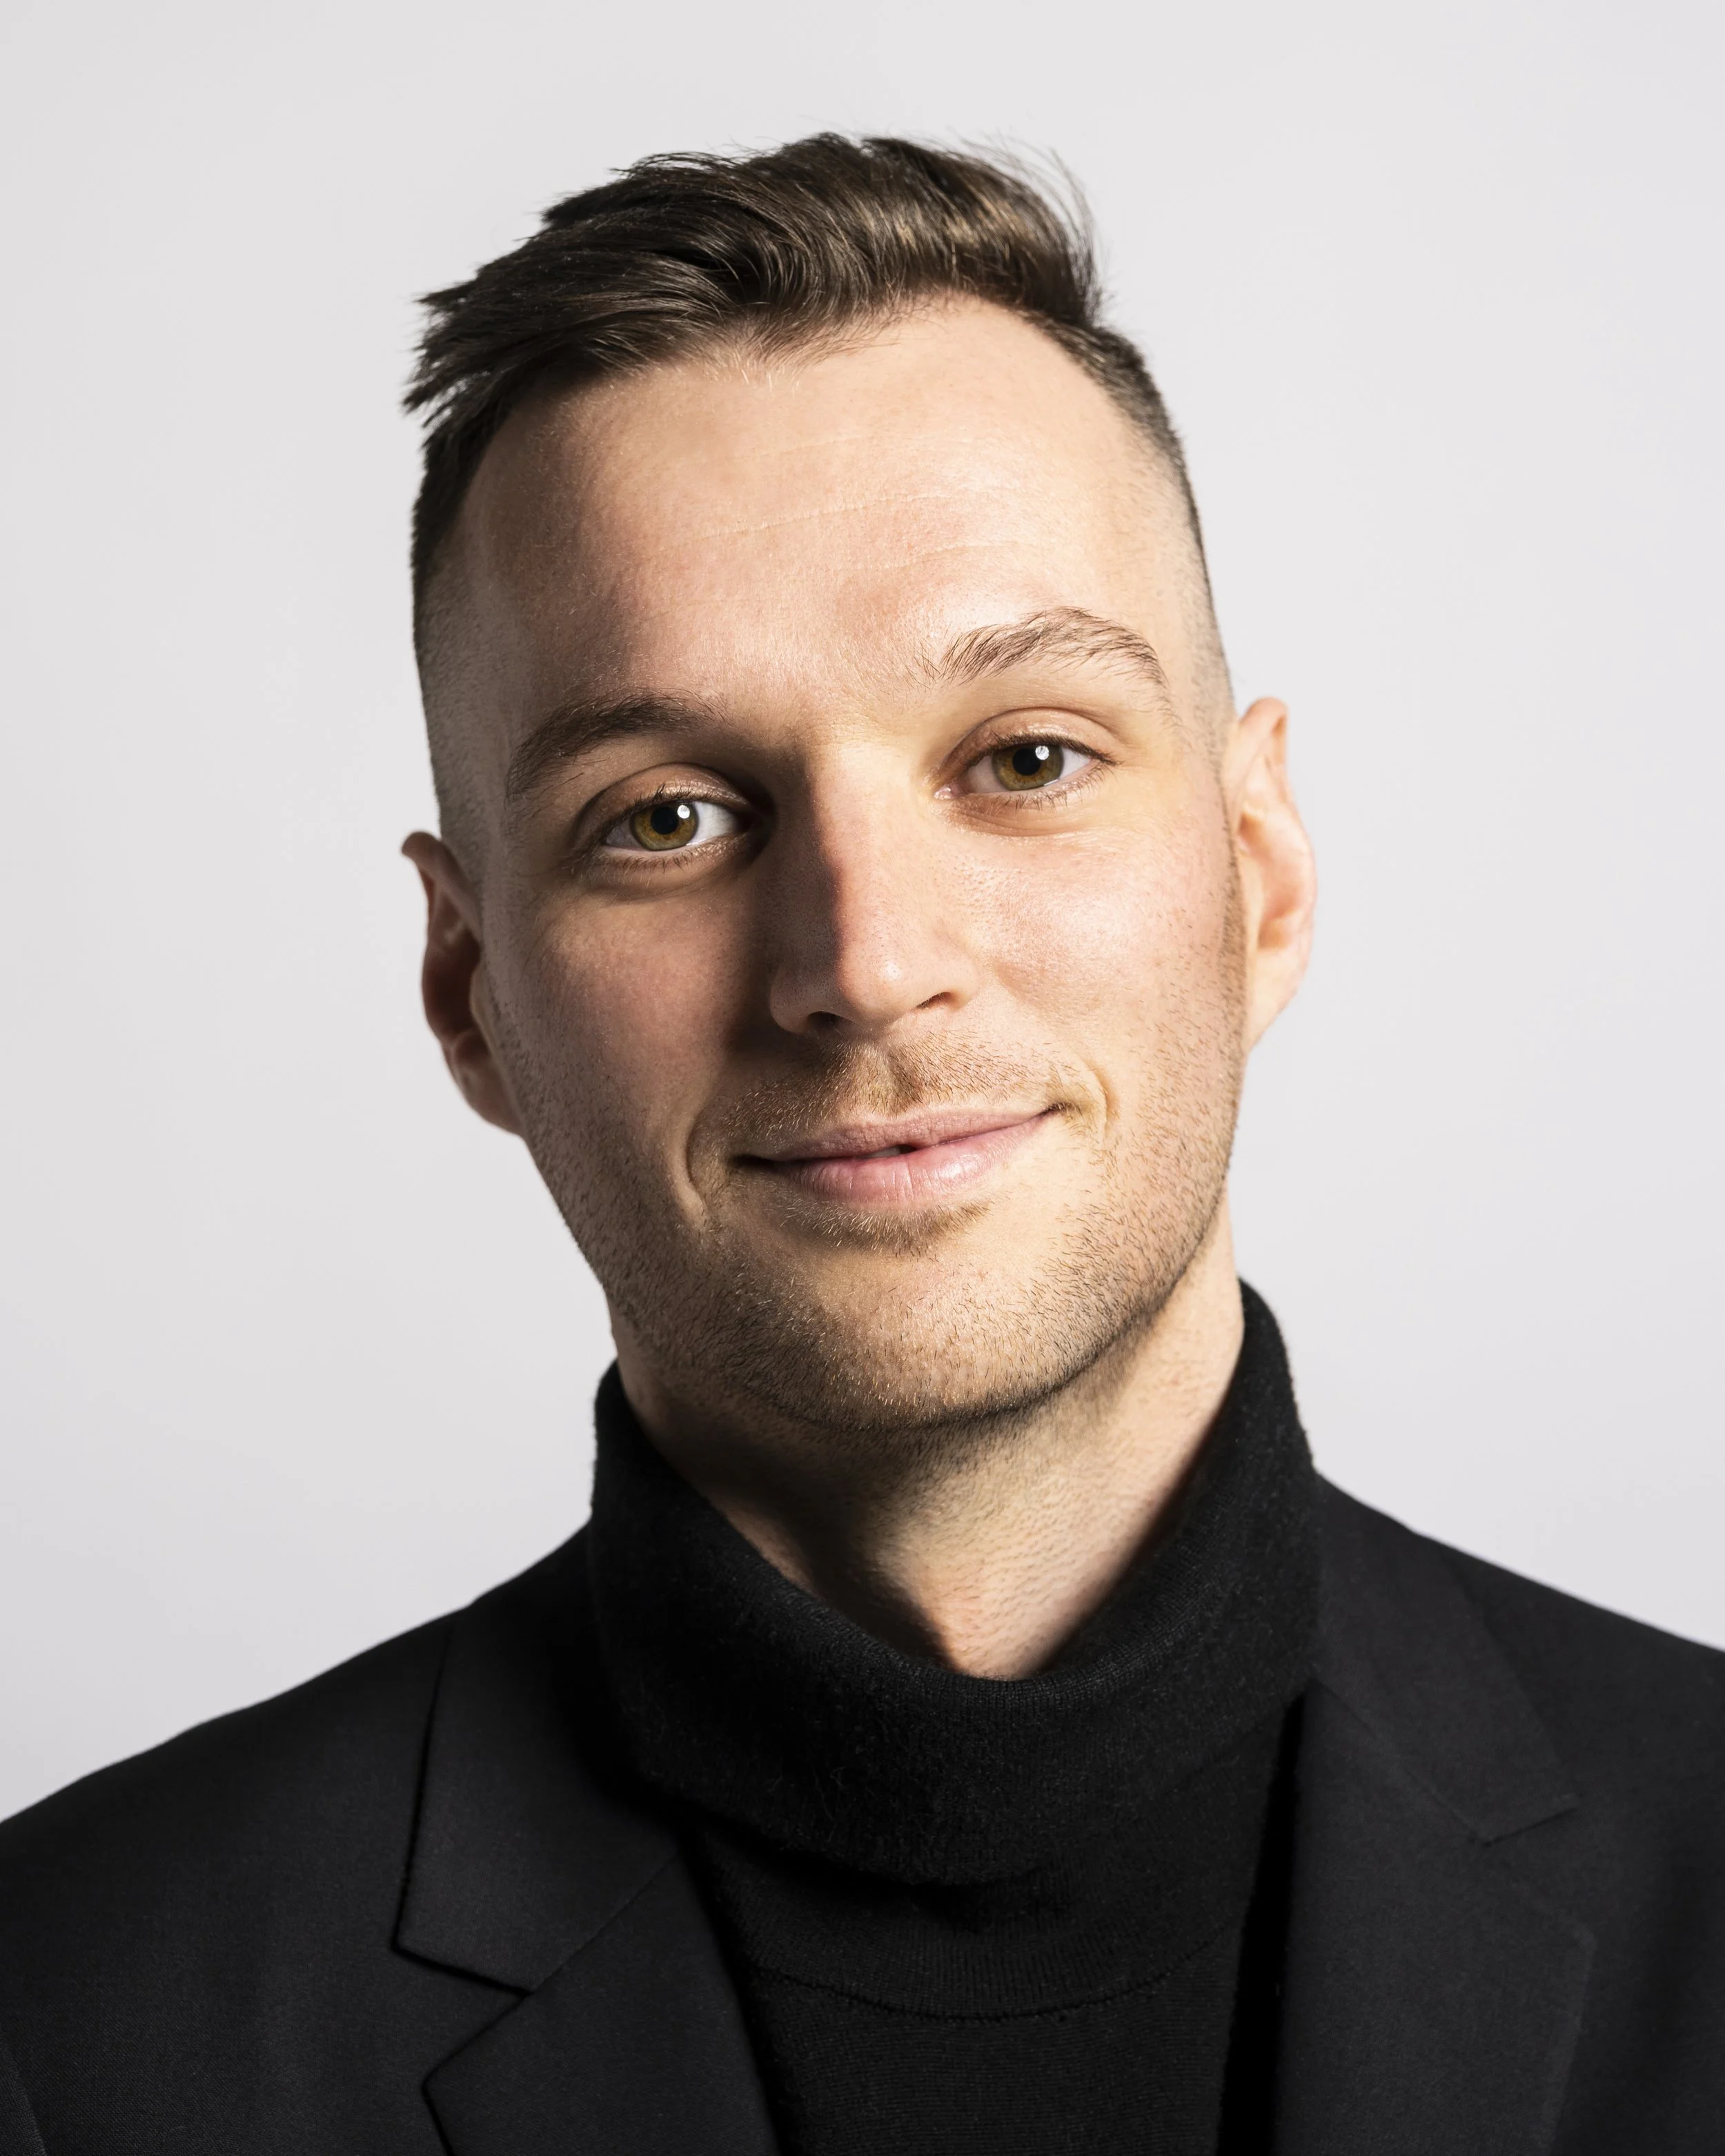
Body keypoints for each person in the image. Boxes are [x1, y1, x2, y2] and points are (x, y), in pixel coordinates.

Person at [1, 135, 1720, 2156]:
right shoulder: (71, 2025)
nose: (868, 964)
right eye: (666, 816)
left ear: (1252, 875)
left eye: (1025, 759)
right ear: (471, 992)